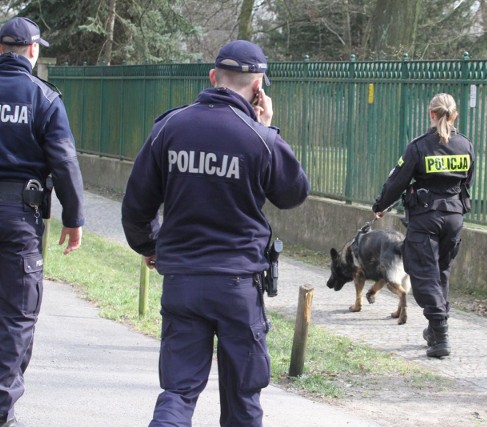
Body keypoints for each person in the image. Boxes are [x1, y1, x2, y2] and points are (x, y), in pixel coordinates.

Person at [121, 40, 309, 426]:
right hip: (238, 286)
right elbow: (293, 193)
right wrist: (266, 127)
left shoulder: (169, 127)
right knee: (242, 396)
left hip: (183, 281)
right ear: (259, 87)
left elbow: (136, 206)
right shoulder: (260, 138)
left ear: (212, 77)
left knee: (178, 391)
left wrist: (150, 246)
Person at [0, 17, 84, 427]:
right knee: (15, 316)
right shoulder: (44, 98)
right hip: (19, 217)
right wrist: (74, 218)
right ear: (33, 52)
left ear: (0, 50)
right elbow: (64, 161)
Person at [372, 93, 474, 358]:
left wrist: (380, 205)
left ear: (431, 114)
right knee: (441, 271)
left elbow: (397, 181)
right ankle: (434, 329)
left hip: (425, 218)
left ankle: (439, 332)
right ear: (454, 115)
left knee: (424, 273)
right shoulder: (466, 145)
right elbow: (468, 182)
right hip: (454, 217)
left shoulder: (419, 147)